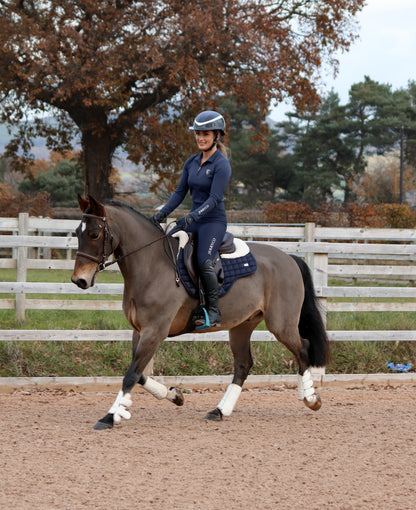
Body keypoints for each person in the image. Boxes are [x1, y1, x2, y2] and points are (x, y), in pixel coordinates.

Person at [153, 110, 231, 328]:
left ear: (216, 136)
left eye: (205, 134)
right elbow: (179, 192)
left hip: (213, 222)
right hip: (193, 220)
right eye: (198, 133)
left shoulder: (221, 164)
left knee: (204, 260)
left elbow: (215, 198)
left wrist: (192, 216)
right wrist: (163, 213)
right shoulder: (191, 162)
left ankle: (213, 312)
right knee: (168, 250)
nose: (200, 138)